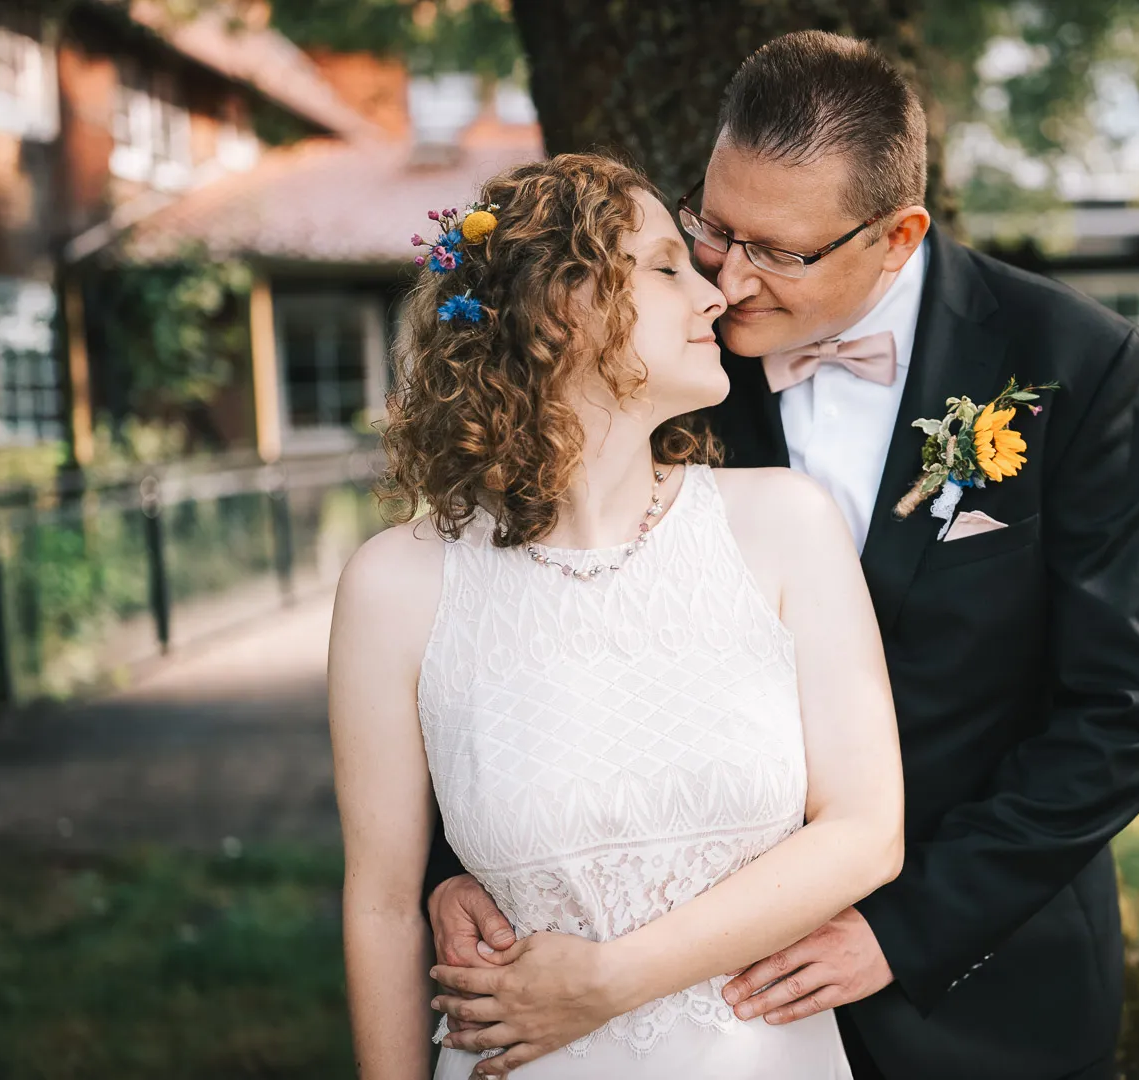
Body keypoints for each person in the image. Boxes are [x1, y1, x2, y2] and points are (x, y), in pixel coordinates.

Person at [426, 32, 1139, 1080]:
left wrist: (904, 930)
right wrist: (456, 865)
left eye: (778, 252)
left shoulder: (1075, 367)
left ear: (899, 234)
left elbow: (1128, 704)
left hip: (980, 988)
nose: (728, 281)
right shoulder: (662, 356)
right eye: (713, 228)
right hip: (693, 997)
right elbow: (512, 612)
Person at [328, 153, 905, 1079]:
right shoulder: (396, 588)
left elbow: (867, 830)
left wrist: (607, 980)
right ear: (562, 307)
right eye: (668, 267)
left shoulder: (786, 525)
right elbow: (386, 907)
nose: (714, 296)